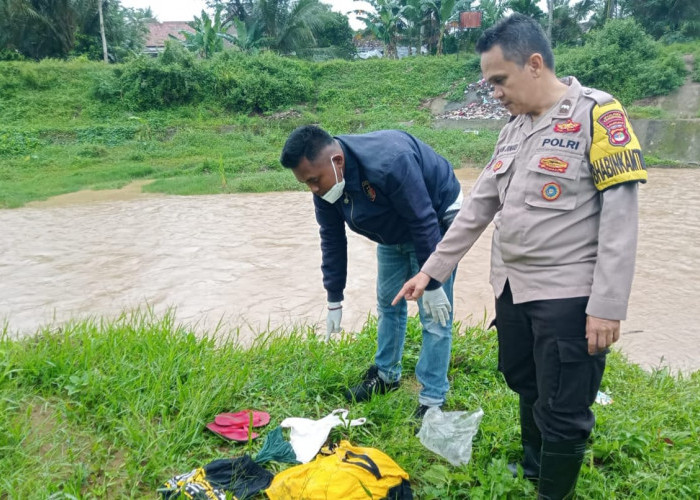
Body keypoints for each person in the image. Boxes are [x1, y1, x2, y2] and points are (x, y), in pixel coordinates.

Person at [393, 13, 647, 500]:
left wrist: (607, 306)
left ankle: (554, 492)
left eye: (498, 80)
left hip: (568, 296)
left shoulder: (599, 115)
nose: (494, 93)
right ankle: (534, 470)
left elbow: (621, 219)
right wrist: (431, 271)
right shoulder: (513, 129)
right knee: (525, 382)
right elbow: (478, 207)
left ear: (535, 64)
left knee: (565, 405)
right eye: (489, 83)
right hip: (513, 288)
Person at [280, 125, 463, 421]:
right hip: (391, 231)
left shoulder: (391, 161)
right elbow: (331, 239)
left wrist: (434, 280)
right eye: (306, 183)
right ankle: (386, 375)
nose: (313, 189)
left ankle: (432, 398)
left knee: (435, 316)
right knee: (389, 303)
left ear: (337, 161)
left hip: (436, 218)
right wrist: (334, 298)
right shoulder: (326, 189)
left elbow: (423, 219)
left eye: (314, 180)